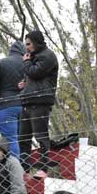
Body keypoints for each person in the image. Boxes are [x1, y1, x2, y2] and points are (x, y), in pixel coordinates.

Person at [20, 30, 59, 177]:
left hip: (40, 101)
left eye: (29, 44)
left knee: (41, 136)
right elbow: (32, 76)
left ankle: (43, 168)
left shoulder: (48, 56)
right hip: (28, 101)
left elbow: (36, 72)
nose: (27, 47)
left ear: (36, 42)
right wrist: (24, 84)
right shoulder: (34, 57)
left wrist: (26, 62)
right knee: (23, 138)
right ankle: (24, 169)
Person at [0, 41, 26, 158]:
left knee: (10, 140)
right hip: (26, 106)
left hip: (6, 105)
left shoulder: (1, 63)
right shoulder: (29, 64)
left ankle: (15, 170)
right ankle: (24, 169)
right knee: (23, 140)